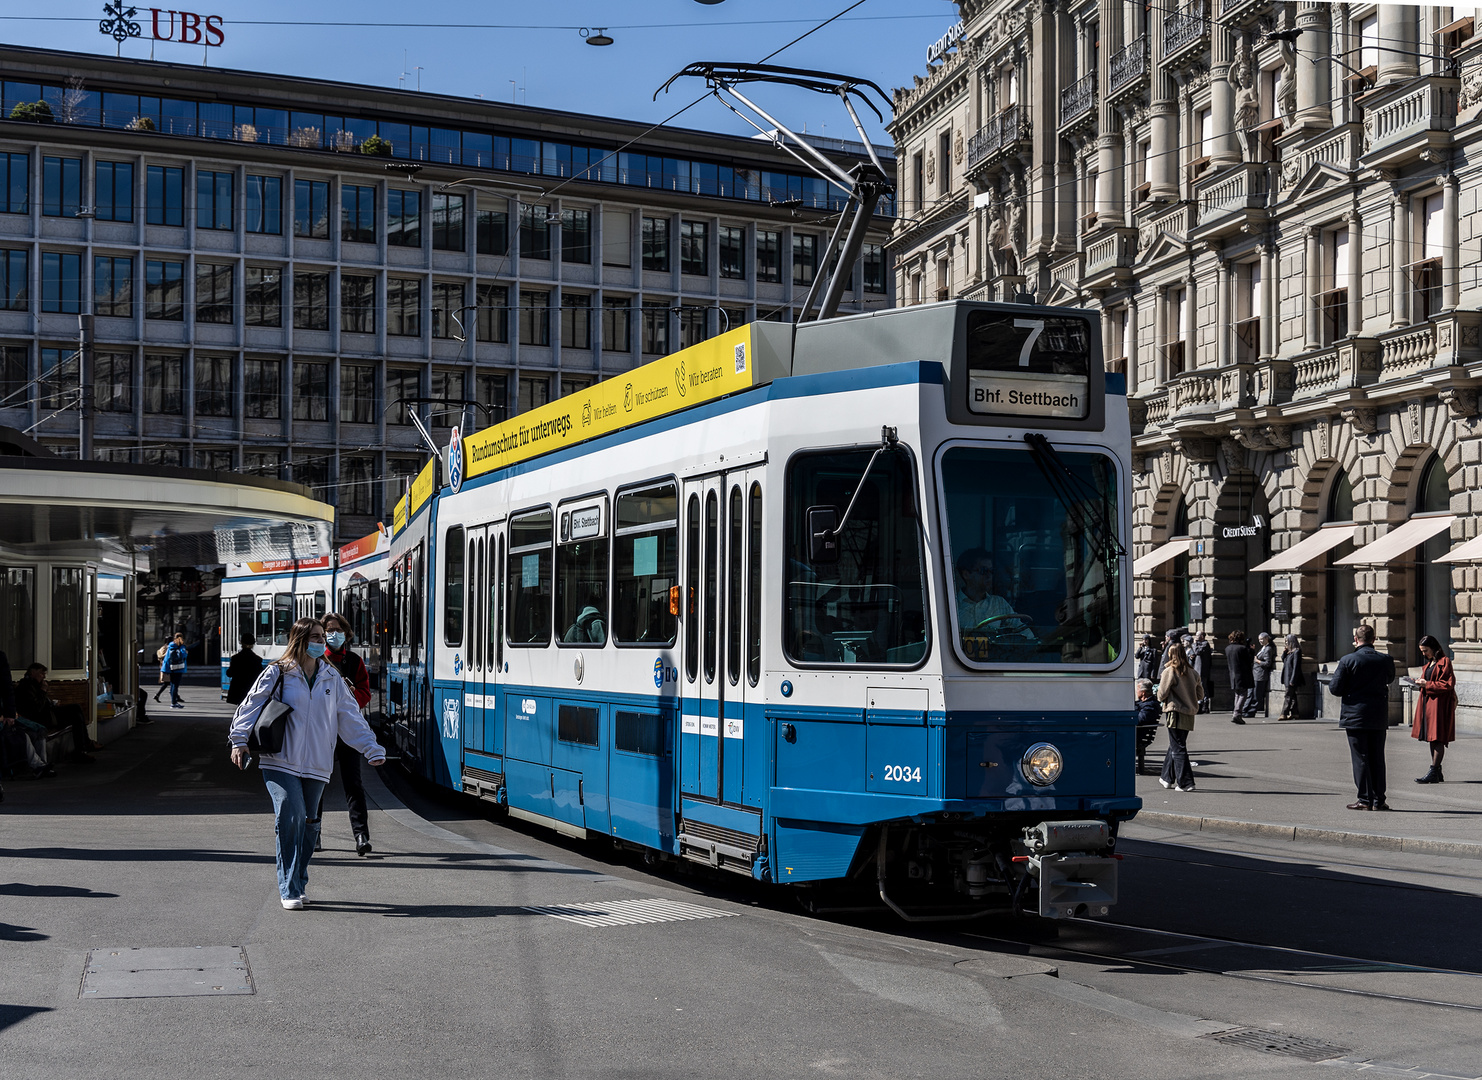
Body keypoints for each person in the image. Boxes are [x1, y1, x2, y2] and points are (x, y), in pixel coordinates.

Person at [228, 617, 386, 910]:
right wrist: (238, 740)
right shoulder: (278, 672)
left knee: (311, 822)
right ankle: (288, 888)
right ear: (300, 639)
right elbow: (249, 706)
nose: (321, 642)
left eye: (322, 637)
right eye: (315, 637)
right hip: (279, 760)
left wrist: (370, 747)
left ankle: (299, 879)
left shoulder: (332, 677)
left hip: (317, 763)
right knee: (292, 814)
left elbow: (350, 716)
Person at [315, 612, 374, 856]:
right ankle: (314, 833)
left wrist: (350, 697)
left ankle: (361, 836)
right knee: (316, 783)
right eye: (329, 630)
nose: (334, 634)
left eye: (338, 629)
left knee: (354, 784)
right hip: (321, 731)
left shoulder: (354, 661)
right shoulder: (316, 660)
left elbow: (365, 693)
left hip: (347, 732)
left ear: (346, 633)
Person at [1328, 624, 1397, 811]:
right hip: (1378, 715)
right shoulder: (1385, 659)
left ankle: (1365, 799)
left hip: (1355, 715)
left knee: (1361, 758)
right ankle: (1379, 799)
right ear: (1374, 639)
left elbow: (1335, 688)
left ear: (1356, 639)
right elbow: (1389, 679)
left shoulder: (1347, 660)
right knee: (1377, 757)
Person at [15, 663, 95, 763]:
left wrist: (51, 702)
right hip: (43, 718)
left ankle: (84, 745)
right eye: (41, 673)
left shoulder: (34, 685)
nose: (43, 676)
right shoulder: (26, 687)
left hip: (48, 714)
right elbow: (37, 708)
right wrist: (43, 690)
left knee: (76, 708)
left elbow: (41, 702)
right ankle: (81, 749)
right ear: (32, 672)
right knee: (76, 716)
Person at [1156, 642, 1204, 792]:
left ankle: (1186, 782)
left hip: (1175, 711)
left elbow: (1161, 694)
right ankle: (1166, 778)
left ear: (1171, 655)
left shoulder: (1170, 671)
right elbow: (1200, 694)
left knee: (1178, 748)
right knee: (1176, 744)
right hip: (1189, 713)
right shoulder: (1193, 672)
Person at [1408, 634, 1456, 784]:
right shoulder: (1429, 664)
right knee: (1431, 737)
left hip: (1439, 705)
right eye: (1421, 651)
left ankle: (1434, 771)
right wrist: (1418, 682)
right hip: (1428, 704)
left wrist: (1426, 684)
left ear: (1434, 648)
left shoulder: (1445, 662)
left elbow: (1448, 684)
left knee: (1438, 737)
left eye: (1425, 650)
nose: (1423, 654)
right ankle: (1437, 771)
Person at [955, 548, 1014, 633]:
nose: (989, 576)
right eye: (984, 571)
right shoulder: (953, 606)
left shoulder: (999, 604)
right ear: (966, 574)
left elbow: (1024, 632)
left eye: (991, 571)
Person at [225, 634, 264, 707]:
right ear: (253, 644)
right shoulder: (257, 659)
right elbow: (260, 674)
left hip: (238, 689)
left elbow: (230, 673)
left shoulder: (236, 658)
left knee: (240, 707)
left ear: (241, 643)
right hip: (251, 688)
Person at [1224, 631, 1254, 724]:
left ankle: (1235, 713)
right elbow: (1249, 660)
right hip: (1242, 673)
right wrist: (1252, 650)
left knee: (1237, 693)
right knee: (1243, 694)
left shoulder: (1227, 648)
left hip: (1232, 673)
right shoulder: (1242, 648)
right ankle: (1237, 713)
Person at [1134, 679, 1160, 775]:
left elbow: (1139, 720)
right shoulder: (1144, 704)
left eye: (1137, 689)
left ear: (1143, 692)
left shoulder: (1150, 705)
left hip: (1138, 736)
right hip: (1136, 733)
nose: (1136, 692)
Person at [1279, 635, 1306, 720]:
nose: (1286, 643)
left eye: (1287, 641)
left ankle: (1284, 713)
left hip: (1291, 677)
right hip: (1287, 676)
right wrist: (1284, 652)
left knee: (1288, 696)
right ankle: (1295, 713)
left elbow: (1296, 667)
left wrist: (1293, 679)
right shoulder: (1289, 652)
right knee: (1292, 696)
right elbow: (1283, 660)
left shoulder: (1296, 652)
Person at [159, 633, 188, 709]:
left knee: (172, 685)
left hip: (170, 667)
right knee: (175, 685)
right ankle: (174, 702)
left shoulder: (170, 645)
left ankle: (173, 702)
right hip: (178, 668)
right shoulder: (181, 646)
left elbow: (167, 658)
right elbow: (183, 655)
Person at [1252, 632, 1277, 718]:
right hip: (1257, 674)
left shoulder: (1268, 649)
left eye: (1262, 639)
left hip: (1261, 675)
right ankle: (1250, 710)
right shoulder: (1264, 647)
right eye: (1259, 640)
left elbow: (1267, 663)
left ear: (1267, 638)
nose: (1260, 641)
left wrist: (1257, 661)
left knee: (1257, 694)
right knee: (1254, 693)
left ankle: (1252, 710)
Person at [1190, 632, 1215, 713]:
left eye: (1198, 635)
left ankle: (1204, 704)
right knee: (1199, 686)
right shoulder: (1199, 644)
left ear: (1202, 636)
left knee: (1202, 687)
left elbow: (1198, 651)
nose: (1196, 637)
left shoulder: (1205, 644)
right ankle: (1200, 703)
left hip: (1202, 670)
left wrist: (1194, 643)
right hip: (1197, 669)